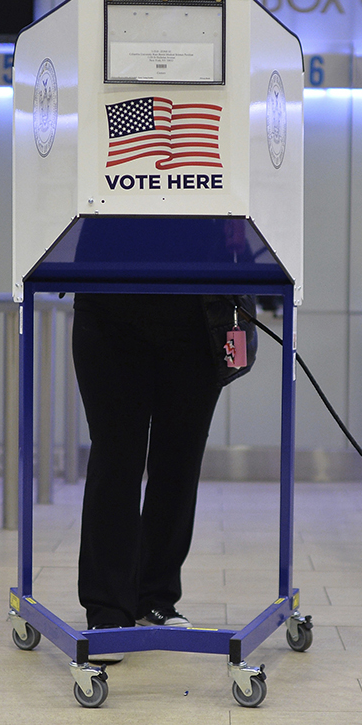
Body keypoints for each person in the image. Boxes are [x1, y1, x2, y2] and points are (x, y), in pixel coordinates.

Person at [69, 218, 251, 663]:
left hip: (198, 310)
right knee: (117, 456)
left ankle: (155, 596)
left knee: (179, 459)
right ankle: (108, 609)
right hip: (109, 299)